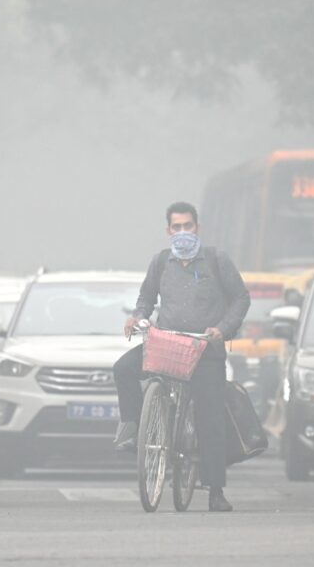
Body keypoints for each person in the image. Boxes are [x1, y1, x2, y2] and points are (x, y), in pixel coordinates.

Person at [113, 201, 250, 512]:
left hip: (205, 350)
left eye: (188, 226)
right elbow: (146, 297)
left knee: (210, 417)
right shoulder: (161, 262)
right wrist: (138, 316)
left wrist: (223, 328)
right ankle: (134, 430)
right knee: (123, 368)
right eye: (177, 227)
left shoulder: (216, 260)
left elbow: (241, 298)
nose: (183, 232)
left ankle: (215, 490)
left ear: (197, 228)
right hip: (166, 345)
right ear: (168, 231)